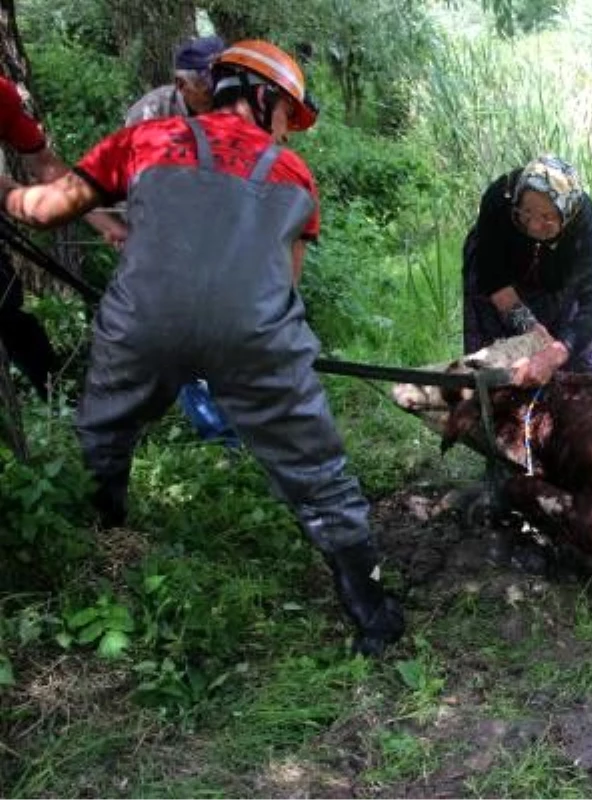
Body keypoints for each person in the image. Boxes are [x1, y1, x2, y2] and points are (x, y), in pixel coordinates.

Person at [0, 40, 405, 656]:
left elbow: (47, 208)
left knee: (103, 432)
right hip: (256, 339)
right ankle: (372, 614)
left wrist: (3, 188)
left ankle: (96, 546)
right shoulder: (294, 176)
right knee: (318, 474)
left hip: (142, 324)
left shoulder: (145, 141)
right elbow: (285, 286)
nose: (286, 133)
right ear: (263, 96)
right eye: (285, 117)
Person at [125, 34, 239, 446]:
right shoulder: (149, 115)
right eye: (208, 81)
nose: (217, 89)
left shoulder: (239, 107)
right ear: (182, 83)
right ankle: (221, 436)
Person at [0, 77, 126, 400]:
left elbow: (45, 166)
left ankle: (59, 403)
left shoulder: (3, 97)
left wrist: (107, 224)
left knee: (6, 309)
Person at [462, 154, 592, 387]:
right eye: (525, 213)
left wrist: (558, 350)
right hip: (502, 269)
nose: (533, 226)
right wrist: (534, 332)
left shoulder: (584, 222)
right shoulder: (500, 200)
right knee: (498, 366)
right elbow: (495, 282)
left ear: (566, 215)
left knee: (577, 360)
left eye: (547, 218)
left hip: (556, 271)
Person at [124, 36, 225, 126]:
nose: (216, 89)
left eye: (221, 76)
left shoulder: (231, 102)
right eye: (205, 82)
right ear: (181, 84)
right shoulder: (153, 111)